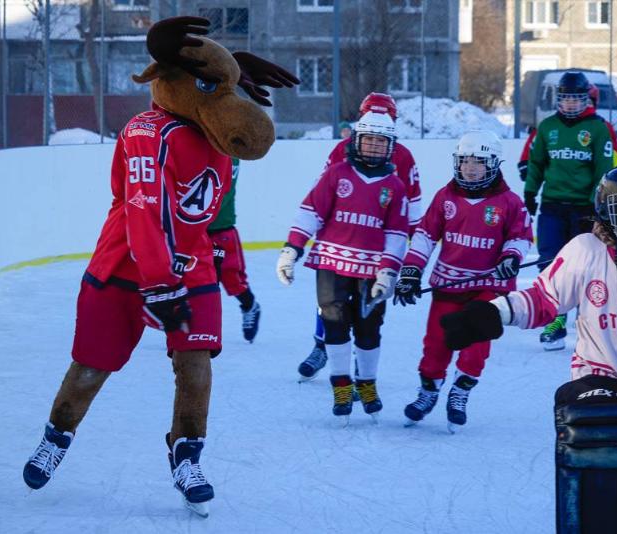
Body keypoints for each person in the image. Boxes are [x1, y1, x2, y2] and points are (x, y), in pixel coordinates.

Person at [21, 16, 298, 518]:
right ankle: (57, 435)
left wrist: (221, 276)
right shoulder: (149, 131)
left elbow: (211, 216)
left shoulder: (214, 133)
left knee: (197, 369)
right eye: (211, 86)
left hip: (189, 271)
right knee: (91, 368)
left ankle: (186, 454)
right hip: (127, 266)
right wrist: (160, 285)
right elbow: (145, 212)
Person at [440, 164, 617, 533]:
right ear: (609, 213)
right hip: (600, 383)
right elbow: (542, 299)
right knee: (604, 487)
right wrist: (493, 314)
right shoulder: (585, 252)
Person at [394, 130, 533, 431]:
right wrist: (411, 271)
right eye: (465, 160)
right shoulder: (445, 197)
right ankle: (428, 391)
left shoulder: (508, 202)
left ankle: (460, 392)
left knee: (476, 344)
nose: (470, 167)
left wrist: (511, 257)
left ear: (494, 164)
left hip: (488, 288)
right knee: (436, 344)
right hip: (448, 286)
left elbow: (521, 236)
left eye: (479, 162)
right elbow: (425, 235)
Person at [277, 111, 408, 421]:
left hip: (372, 270)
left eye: (381, 142)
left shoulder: (395, 185)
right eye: (369, 140)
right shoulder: (337, 174)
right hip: (331, 264)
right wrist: (291, 249)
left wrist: (388, 270)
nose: (374, 147)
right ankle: (341, 386)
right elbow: (310, 212)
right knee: (334, 324)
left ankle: (367, 384)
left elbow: (397, 233)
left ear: (390, 147)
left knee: (368, 329)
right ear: (356, 142)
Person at [296, 92, 423, 381]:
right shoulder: (342, 149)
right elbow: (322, 191)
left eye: (387, 119)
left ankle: (361, 365)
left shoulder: (403, 156)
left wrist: (409, 252)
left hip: (378, 247)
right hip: (340, 239)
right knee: (331, 302)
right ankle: (322, 346)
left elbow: (411, 201)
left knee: (368, 311)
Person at [524, 72, 616, 351]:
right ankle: (555, 319)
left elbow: (604, 170)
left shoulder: (599, 128)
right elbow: (536, 162)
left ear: (585, 99)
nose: (571, 104)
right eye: (566, 99)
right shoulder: (548, 126)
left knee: (587, 266)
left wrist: (598, 205)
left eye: (577, 99)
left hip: (585, 209)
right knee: (550, 264)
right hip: (552, 206)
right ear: (558, 100)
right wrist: (530, 192)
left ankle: (589, 321)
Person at [517, 83, 617, 182]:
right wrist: (525, 163)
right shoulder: (554, 123)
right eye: (568, 100)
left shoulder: (602, 125)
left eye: (585, 101)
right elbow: (535, 141)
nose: (574, 105)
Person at [208, 158, 261, 343]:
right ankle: (194, 328)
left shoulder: (229, 155)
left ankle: (249, 305)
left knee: (233, 279)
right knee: (195, 282)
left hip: (222, 227)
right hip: (194, 229)